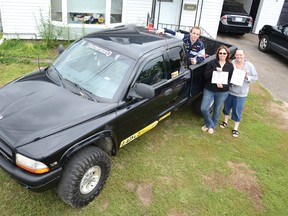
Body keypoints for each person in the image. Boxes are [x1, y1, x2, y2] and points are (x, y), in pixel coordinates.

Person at [219, 49, 258, 137]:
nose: (239, 57)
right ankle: (225, 122)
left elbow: (255, 78)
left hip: (241, 93)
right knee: (226, 107)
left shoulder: (249, 66)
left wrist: (247, 76)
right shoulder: (232, 63)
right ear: (235, 55)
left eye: (241, 55)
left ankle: (235, 128)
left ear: (244, 56)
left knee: (237, 110)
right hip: (230, 91)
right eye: (237, 55)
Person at [200, 45, 234, 134]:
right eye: (220, 53)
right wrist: (214, 69)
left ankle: (212, 126)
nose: (222, 55)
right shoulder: (212, 63)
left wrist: (223, 86)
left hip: (222, 92)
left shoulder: (230, 66)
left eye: (224, 53)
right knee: (203, 108)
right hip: (209, 90)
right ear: (218, 54)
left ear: (227, 54)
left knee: (217, 109)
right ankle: (209, 124)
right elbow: (206, 75)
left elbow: (230, 80)